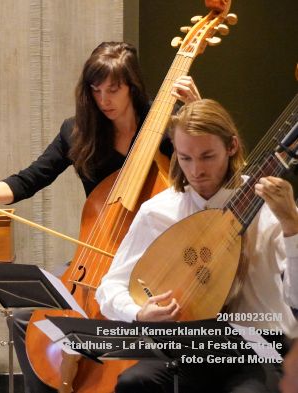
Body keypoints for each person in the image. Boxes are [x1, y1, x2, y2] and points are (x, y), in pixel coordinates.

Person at [0, 41, 200, 393]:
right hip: (92, 261)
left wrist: (195, 109)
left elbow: (208, 169)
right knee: (27, 322)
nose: (104, 100)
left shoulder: (165, 130)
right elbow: (32, 176)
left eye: (113, 90)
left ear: (132, 85)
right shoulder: (79, 130)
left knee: (110, 333)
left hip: (146, 266)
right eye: (96, 90)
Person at [96, 98, 298, 392]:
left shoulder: (270, 206)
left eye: (207, 156)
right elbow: (109, 287)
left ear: (231, 147)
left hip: (257, 344)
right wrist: (138, 312)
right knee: (133, 383)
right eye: (185, 158)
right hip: (188, 346)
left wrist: (292, 225)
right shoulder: (159, 211)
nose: (196, 170)